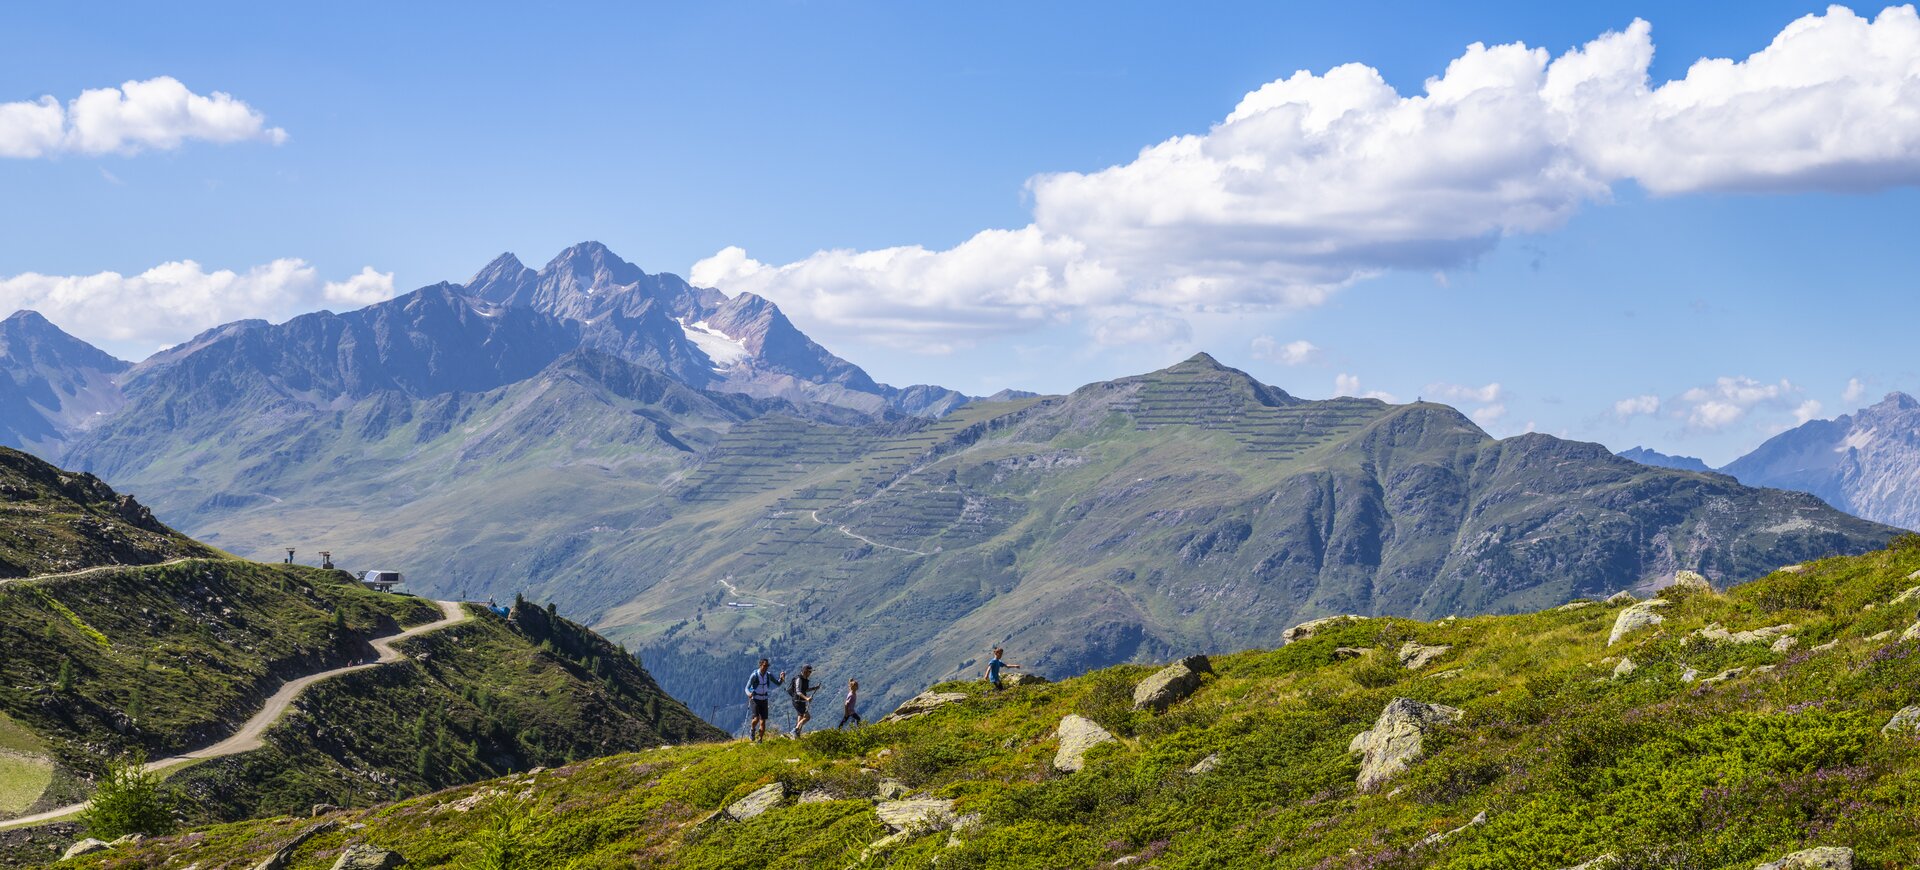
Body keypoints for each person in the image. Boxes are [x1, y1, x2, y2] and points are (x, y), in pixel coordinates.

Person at [744, 658, 785, 742]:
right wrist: (749, 694)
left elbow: (778, 683)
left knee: (763, 721)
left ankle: (760, 740)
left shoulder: (768, 675)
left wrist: (781, 678)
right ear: (760, 665)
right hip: (755, 699)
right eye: (764, 666)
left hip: (764, 699)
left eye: (767, 666)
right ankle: (752, 729)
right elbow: (746, 688)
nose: (766, 667)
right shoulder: (754, 675)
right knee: (756, 719)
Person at [787, 664, 817, 738]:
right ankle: (795, 730)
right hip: (797, 701)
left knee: (800, 717)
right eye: (809, 671)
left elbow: (804, 689)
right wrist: (806, 698)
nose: (810, 673)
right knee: (807, 717)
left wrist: (814, 688)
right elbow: (798, 691)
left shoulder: (805, 679)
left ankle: (797, 735)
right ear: (805, 671)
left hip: (801, 701)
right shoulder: (799, 679)